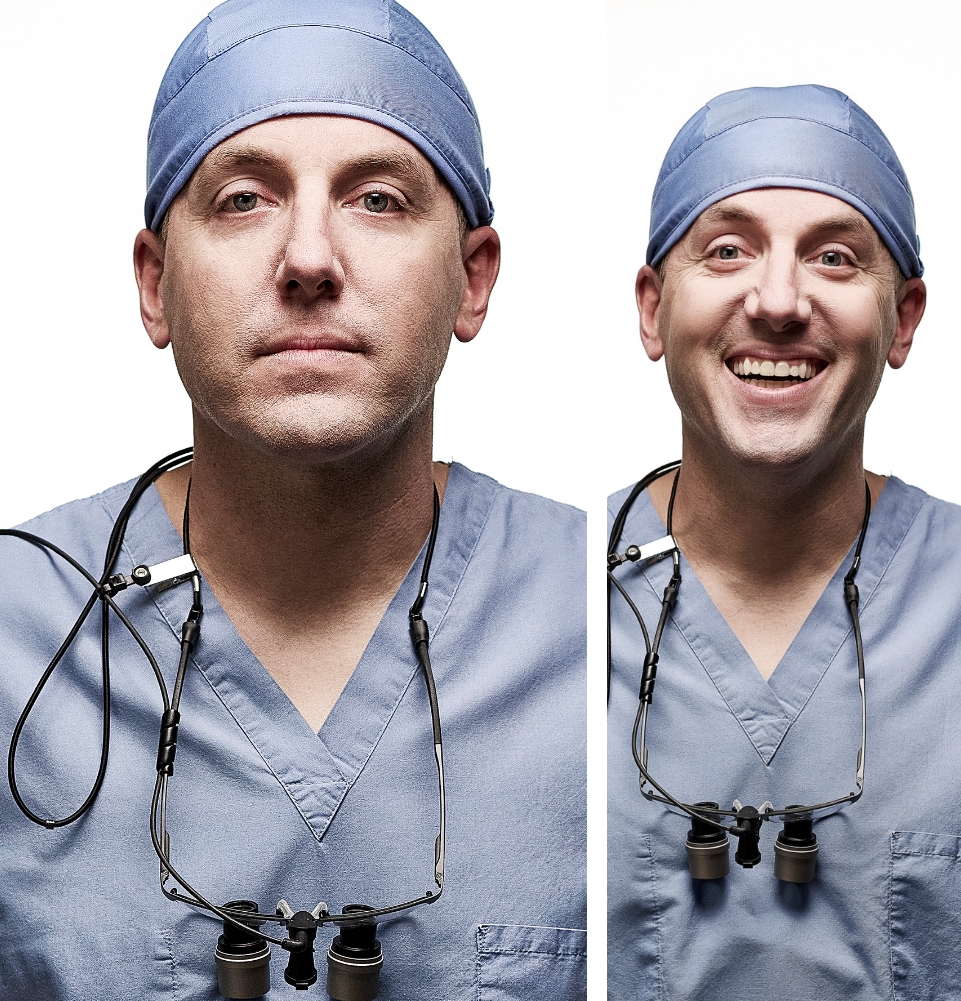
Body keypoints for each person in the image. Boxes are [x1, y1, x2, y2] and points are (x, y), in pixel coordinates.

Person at [0, 2, 586, 998]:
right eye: (240, 199)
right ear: (155, 285)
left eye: (379, 199)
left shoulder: (601, 626)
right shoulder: (19, 635)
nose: (310, 258)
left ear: (472, 280)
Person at [606, 84, 960, 1000]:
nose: (776, 300)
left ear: (904, 319)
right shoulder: (546, 605)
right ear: (652, 309)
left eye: (835, 258)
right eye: (726, 251)